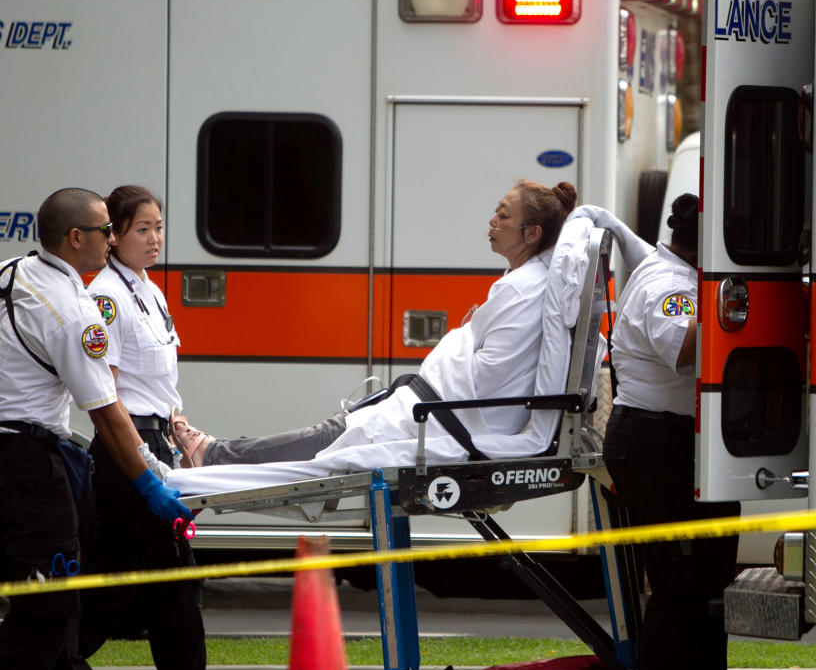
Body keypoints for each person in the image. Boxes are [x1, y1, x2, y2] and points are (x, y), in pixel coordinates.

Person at [165, 179, 578, 494]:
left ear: (531, 234)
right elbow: (481, 355)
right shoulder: (525, 283)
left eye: (503, 216)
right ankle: (215, 452)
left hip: (447, 418)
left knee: (330, 438)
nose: (492, 222)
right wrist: (460, 344)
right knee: (332, 431)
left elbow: (488, 374)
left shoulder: (521, 290)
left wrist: (455, 345)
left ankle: (212, 455)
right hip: (438, 405)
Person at [0, 188, 192, 670]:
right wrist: (151, 482)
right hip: (30, 468)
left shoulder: (13, 272)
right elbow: (105, 413)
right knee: (48, 606)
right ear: (76, 238)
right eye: (107, 229)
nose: (113, 239)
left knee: (51, 603)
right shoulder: (74, 311)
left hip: (17, 459)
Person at [78, 186, 217, 670]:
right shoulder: (106, 297)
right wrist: (146, 465)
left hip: (153, 442)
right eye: (143, 229)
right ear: (113, 235)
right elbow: (106, 394)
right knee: (176, 593)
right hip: (124, 453)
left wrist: (181, 434)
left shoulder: (151, 293)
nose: (155, 238)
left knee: (111, 594)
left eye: (159, 227)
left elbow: (160, 385)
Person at [601, 193, 740, 670]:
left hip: (682, 443)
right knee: (679, 590)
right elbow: (683, 349)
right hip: (658, 444)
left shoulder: (683, 279)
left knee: (705, 588)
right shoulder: (670, 285)